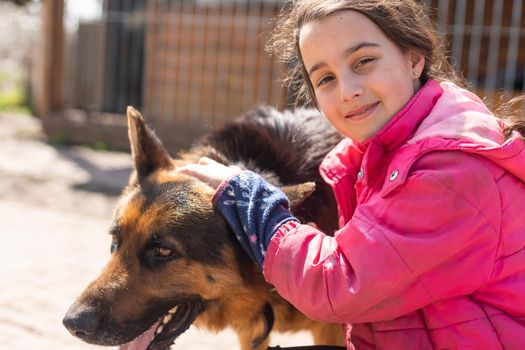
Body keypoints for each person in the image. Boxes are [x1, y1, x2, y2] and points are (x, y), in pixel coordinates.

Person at [177, 1, 525, 348]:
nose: (347, 91)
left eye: (364, 61)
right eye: (326, 78)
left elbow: (339, 284)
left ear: (413, 58)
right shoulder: (389, 148)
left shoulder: (446, 169)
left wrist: (253, 203)